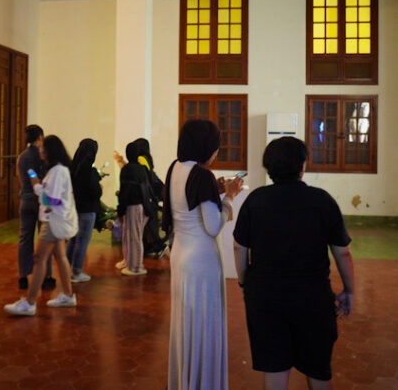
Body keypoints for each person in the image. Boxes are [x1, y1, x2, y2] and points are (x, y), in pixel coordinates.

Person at [232, 136, 355, 390]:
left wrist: (244, 280)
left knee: (275, 367)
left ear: (268, 167)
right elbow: (342, 252)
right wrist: (349, 290)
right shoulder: (322, 200)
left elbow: (239, 247)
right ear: (303, 165)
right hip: (313, 297)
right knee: (318, 368)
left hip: (265, 297)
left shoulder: (256, 200)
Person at [162, 119, 244, 390]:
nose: (217, 151)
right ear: (205, 146)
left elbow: (185, 202)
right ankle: (202, 383)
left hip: (180, 254)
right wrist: (230, 196)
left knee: (186, 323)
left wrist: (215, 191)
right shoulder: (202, 176)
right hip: (201, 261)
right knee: (204, 324)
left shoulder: (175, 168)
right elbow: (213, 226)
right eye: (216, 146)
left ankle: (185, 380)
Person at [4, 135, 79, 315]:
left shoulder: (58, 171)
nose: (40, 150)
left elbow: (51, 199)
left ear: (51, 150)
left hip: (52, 220)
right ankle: (68, 295)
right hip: (56, 219)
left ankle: (29, 302)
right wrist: (37, 182)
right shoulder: (58, 170)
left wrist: (37, 187)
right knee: (60, 256)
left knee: (39, 259)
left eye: (43, 147)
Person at [16, 125, 55, 290]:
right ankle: (46, 277)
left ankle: (23, 276)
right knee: (45, 239)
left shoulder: (22, 157)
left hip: (26, 200)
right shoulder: (43, 155)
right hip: (42, 202)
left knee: (25, 238)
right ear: (40, 137)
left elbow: (22, 177)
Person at [115, 141, 156, 276]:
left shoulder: (128, 169)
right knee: (132, 236)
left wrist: (120, 209)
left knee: (133, 236)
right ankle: (130, 263)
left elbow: (125, 190)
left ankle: (136, 267)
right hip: (140, 206)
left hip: (132, 206)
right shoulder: (141, 169)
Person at [67, 138, 102, 283]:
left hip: (74, 208)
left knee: (73, 240)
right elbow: (96, 192)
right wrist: (100, 188)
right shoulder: (90, 171)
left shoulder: (72, 168)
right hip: (87, 210)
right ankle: (76, 272)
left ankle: (67, 267)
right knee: (82, 241)